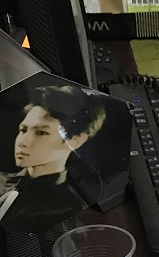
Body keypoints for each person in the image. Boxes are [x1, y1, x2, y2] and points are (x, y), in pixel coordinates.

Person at [0, 82, 106, 233]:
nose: (23, 142)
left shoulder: (69, 209)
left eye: (41, 132)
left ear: (75, 140)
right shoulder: (3, 180)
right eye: (23, 130)